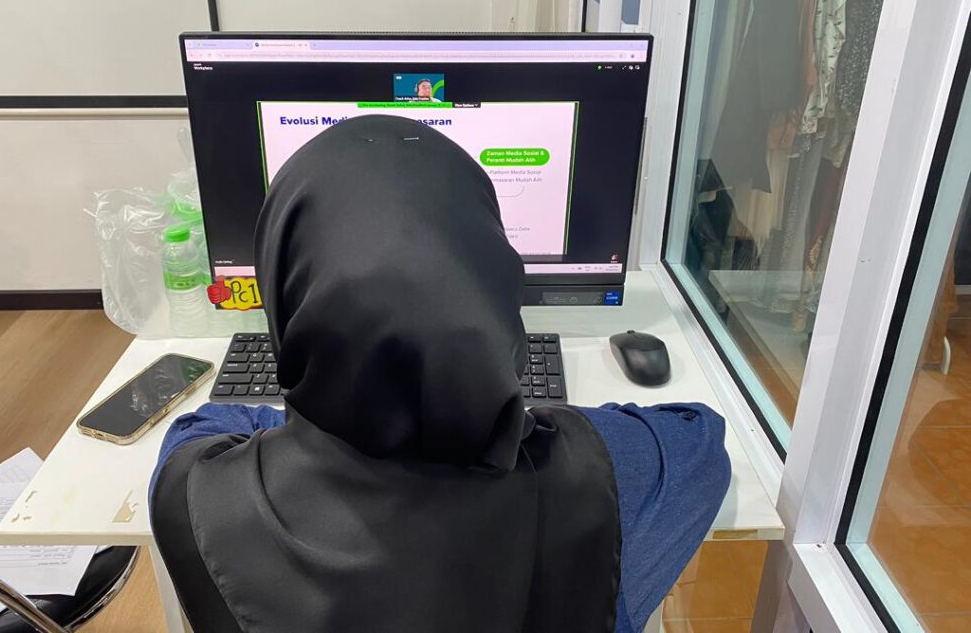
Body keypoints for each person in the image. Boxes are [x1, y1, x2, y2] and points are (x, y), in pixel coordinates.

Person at [150, 115, 730, 633]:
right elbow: (699, 434)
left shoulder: (195, 496)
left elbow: (203, 425)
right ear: (493, 276)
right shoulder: (605, 475)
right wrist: (515, 406)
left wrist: (319, 412)